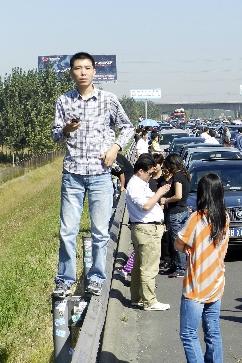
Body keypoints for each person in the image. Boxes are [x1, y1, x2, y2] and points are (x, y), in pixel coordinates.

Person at [51, 52, 134, 298]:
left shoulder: (108, 100)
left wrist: (115, 148)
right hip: (73, 174)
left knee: (100, 231)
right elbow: (55, 134)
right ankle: (64, 279)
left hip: (100, 175)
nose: (83, 72)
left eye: (87, 68)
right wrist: (66, 128)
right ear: (71, 72)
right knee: (67, 231)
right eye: (78, 68)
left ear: (95, 71)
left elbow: (127, 127)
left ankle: (97, 277)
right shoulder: (64, 101)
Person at [176, 173, 230, 363]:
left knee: (189, 333)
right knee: (212, 331)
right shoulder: (224, 217)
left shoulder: (196, 218)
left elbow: (178, 243)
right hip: (216, 281)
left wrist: (188, 249)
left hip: (196, 284)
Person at [126, 154, 171, 310]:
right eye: (150, 173)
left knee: (139, 266)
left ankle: (137, 297)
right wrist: (159, 193)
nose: (151, 176)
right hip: (147, 230)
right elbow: (145, 205)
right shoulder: (135, 185)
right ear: (140, 171)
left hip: (146, 228)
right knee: (149, 267)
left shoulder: (139, 183)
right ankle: (150, 301)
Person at [163, 154, 191, 278]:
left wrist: (166, 200)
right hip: (183, 210)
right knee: (181, 239)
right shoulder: (185, 175)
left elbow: (178, 195)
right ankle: (178, 265)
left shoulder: (178, 176)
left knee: (177, 241)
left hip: (176, 212)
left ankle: (180, 267)